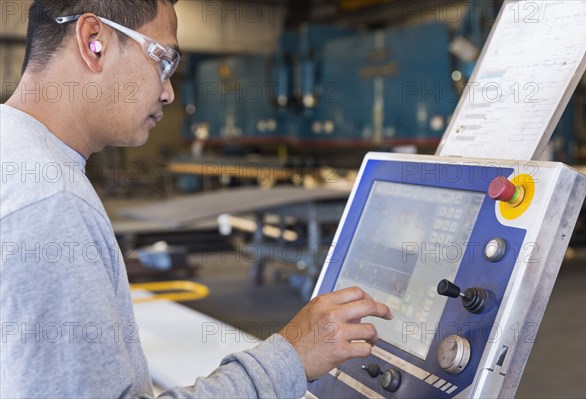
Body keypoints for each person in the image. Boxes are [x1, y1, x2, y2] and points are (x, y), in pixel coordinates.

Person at [0, 1, 393, 397]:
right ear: (94, 41)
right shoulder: (51, 203)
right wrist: (291, 356)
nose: (169, 92)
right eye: (164, 60)